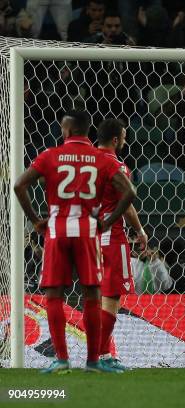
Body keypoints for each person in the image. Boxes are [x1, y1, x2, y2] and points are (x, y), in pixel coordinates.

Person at [13, 110, 136, 374]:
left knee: (54, 295)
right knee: (92, 294)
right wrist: (108, 220)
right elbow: (130, 192)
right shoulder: (99, 158)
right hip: (89, 231)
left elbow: (19, 185)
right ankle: (93, 361)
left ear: (66, 131)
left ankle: (61, 360)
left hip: (57, 230)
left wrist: (36, 220)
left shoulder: (51, 155)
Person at [96, 118, 148, 372]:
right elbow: (126, 203)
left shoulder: (85, 162)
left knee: (96, 297)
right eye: (124, 137)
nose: (125, 141)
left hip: (86, 236)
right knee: (111, 298)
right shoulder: (117, 166)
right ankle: (100, 355)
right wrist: (139, 230)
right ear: (116, 140)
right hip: (111, 236)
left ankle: (102, 354)